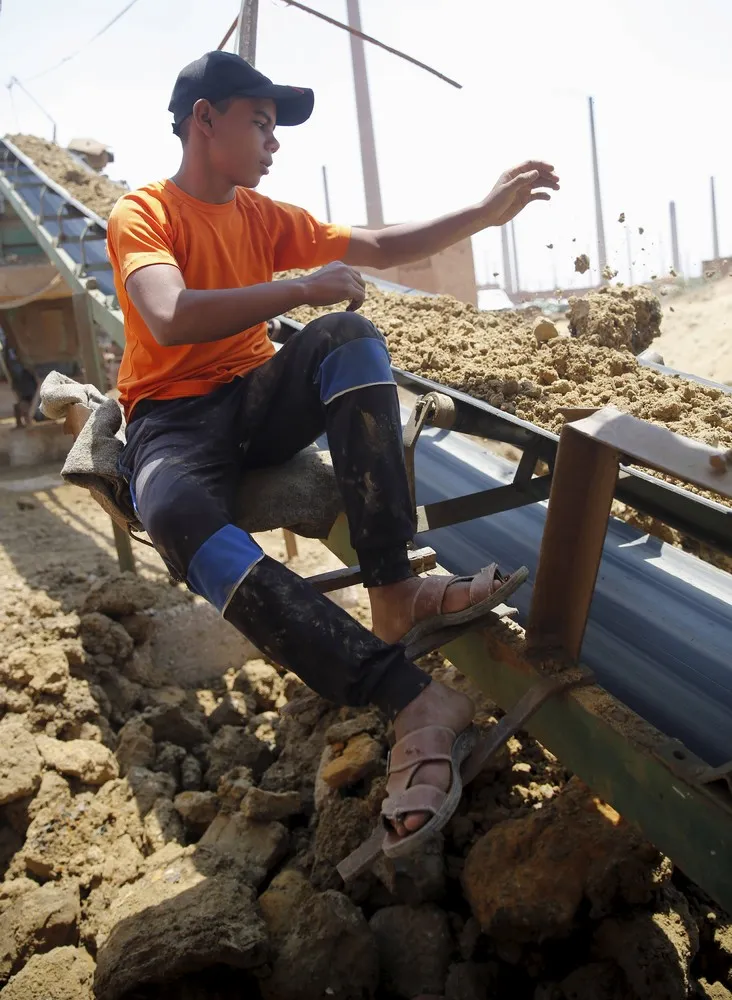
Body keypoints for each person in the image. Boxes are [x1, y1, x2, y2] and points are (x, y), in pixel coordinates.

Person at [106, 50, 559, 858]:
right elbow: (169, 315)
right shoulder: (143, 214)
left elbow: (379, 243)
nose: (273, 143)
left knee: (349, 336)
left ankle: (393, 586)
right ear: (204, 120)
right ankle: (407, 697)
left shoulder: (260, 214)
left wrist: (483, 215)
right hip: (173, 419)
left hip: (253, 399)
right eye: (261, 122)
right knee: (173, 513)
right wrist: (297, 288)